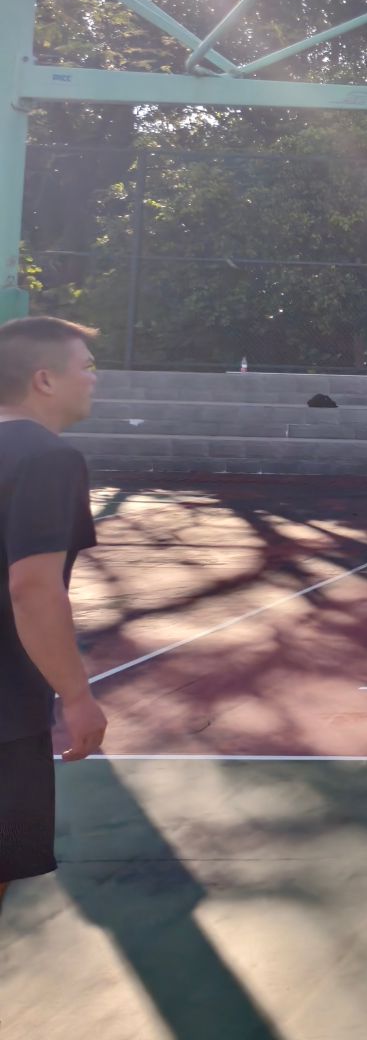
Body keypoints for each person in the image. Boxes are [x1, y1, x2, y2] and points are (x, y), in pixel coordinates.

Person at [0, 317, 105, 915]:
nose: (94, 378)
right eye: (86, 367)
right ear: (44, 379)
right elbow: (34, 589)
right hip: (6, 711)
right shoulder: (47, 458)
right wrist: (77, 696)